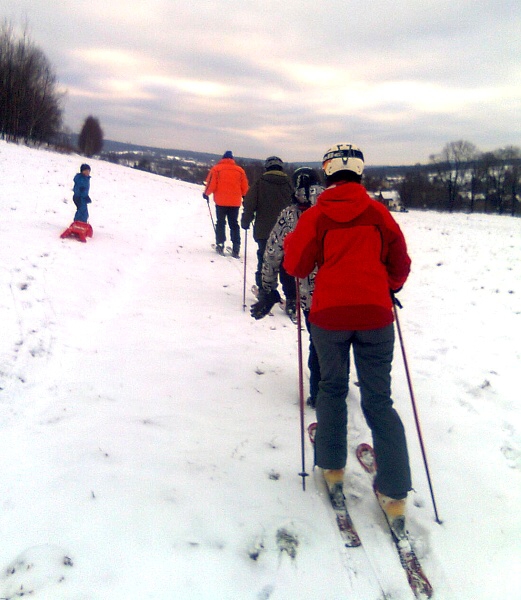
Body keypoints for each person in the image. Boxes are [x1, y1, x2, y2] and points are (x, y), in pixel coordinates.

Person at [283, 143, 412, 536]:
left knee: (332, 388)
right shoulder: (378, 212)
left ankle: (333, 467)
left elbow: (295, 264)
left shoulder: (318, 214)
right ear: (359, 173)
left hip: (329, 316)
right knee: (378, 400)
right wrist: (384, 286)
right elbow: (400, 262)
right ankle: (393, 491)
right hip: (375, 316)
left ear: (327, 174)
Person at [250, 167, 326, 402]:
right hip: (348, 290)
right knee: (340, 342)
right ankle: (336, 384)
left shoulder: (290, 215)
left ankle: (319, 394)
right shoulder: (336, 208)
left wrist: (268, 289)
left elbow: (272, 254)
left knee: (319, 343)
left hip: (311, 296)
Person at [241, 156, 294, 315]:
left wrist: (245, 221)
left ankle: (265, 294)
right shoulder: (289, 185)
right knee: (287, 266)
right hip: (287, 233)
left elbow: (249, 204)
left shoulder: (259, 183)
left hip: (264, 232)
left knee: (265, 262)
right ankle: (292, 300)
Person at [203, 151, 249, 258]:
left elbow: (211, 184)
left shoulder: (216, 169)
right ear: (232, 159)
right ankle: (236, 247)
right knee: (234, 224)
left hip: (221, 201)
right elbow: (245, 187)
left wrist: (206, 194)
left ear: (223, 158)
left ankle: (220, 243)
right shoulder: (240, 171)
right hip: (235, 203)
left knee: (221, 222)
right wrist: (245, 197)